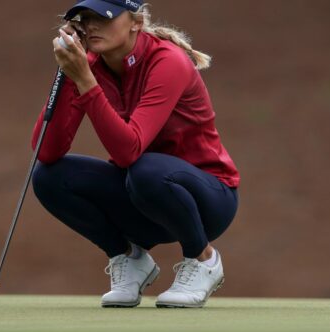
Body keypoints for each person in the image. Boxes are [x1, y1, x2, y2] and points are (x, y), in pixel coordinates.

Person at [31, 0, 239, 308]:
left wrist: (86, 81)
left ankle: (203, 259)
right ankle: (129, 257)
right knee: (48, 177)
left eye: (104, 17)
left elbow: (128, 151)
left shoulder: (168, 61)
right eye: (84, 19)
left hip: (208, 199)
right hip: (143, 197)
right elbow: (47, 150)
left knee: (145, 169)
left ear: (136, 22)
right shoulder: (90, 65)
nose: (91, 26)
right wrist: (70, 74)